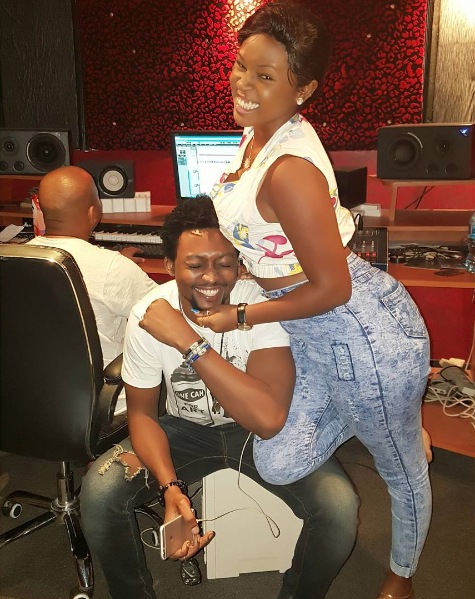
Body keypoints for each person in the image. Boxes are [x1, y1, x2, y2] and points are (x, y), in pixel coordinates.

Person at [205, 3, 432, 598]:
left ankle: (402, 572)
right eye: (241, 65)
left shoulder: (289, 170)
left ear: (302, 90)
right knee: (277, 462)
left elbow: (334, 288)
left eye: (265, 76)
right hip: (308, 331)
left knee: (399, 472)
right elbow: (270, 246)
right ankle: (391, 425)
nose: (243, 83)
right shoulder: (255, 136)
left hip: (364, 337)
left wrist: (242, 314)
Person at [80, 196, 359, 599]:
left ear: (240, 264)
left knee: (338, 507)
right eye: (195, 265)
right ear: (169, 265)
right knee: (99, 493)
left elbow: (268, 419)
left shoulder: (259, 306)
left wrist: (188, 341)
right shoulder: (148, 314)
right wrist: (171, 488)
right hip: (184, 429)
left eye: (225, 263)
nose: (211, 277)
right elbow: (142, 415)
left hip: (258, 434)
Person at [28, 165, 157, 413]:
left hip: (31, 403)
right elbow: (169, 311)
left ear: (42, 211)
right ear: (93, 212)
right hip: (105, 405)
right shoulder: (111, 268)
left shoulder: (14, 258)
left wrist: (117, 266)